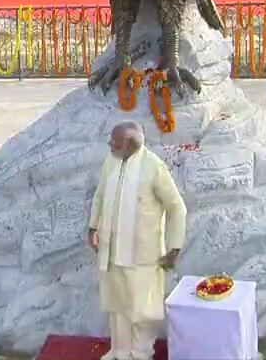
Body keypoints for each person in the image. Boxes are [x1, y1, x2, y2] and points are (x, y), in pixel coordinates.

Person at [87, 121, 187, 360]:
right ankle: (119, 351)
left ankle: (140, 354)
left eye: (115, 141)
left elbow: (177, 207)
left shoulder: (153, 166)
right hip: (112, 251)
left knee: (142, 310)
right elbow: (100, 195)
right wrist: (93, 227)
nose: (110, 145)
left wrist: (173, 248)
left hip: (143, 254)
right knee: (117, 306)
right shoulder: (111, 161)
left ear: (128, 143)